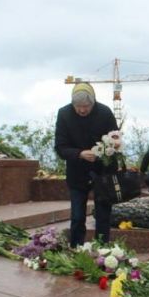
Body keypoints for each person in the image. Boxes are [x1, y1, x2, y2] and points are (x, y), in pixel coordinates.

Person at [54, 82, 118, 247]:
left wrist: (103, 152)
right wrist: (79, 154)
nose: (82, 110)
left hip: (103, 171)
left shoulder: (104, 113)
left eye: (86, 106)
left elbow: (116, 140)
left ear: (93, 102)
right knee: (77, 217)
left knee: (103, 216)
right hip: (77, 172)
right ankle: (76, 250)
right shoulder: (64, 114)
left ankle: (102, 251)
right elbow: (60, 147)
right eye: (78, 106)